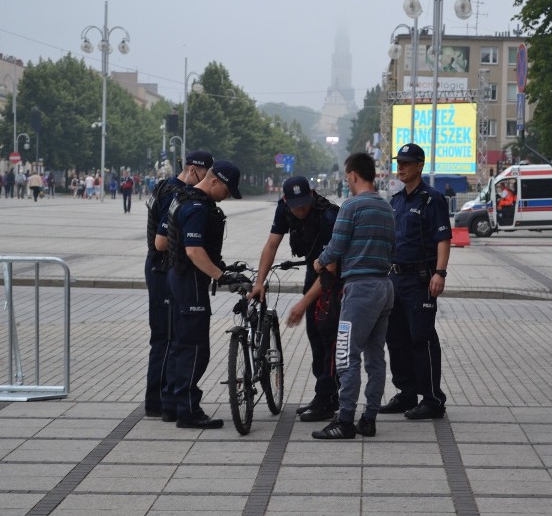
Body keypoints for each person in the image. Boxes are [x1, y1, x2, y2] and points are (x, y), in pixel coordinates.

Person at [311, 152, 395, 439]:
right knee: (375, 357)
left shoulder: (352, 206)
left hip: (360, 290)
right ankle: (369, 418)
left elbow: (336, 247)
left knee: (346, 353)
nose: (347, 181)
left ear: (354, 175)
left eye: (347, 176)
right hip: (385, 287)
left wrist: (319, 262)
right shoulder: (386, 207)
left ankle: (345, 419)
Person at [250, 175, 341, 422]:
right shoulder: (284, 209)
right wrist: (260, 282)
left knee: (327, 336)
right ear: (285, 200)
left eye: (303, 203)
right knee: (314, 335)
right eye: (294, 204)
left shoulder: (328, 217)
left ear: (312, 195)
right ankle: (324, 395)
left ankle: (327, 399)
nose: (299, 209)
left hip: (335, 277)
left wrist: (302, 303)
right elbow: (271, 245)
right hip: (315, 270)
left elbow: (330, 272)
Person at [161, 160, 243, 429]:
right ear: (215, 181)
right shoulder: (197, 207)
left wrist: (220, 267)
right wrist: (221, 276)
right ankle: (188, 411)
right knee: (195, 349)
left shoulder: (182, 198)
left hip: (177, 278)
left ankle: (172, 406)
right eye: (227, 190)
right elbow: (194, 251)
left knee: (179, 345)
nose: (228, 196)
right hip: (190, 283)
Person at [380, 143, 452, 420]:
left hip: (421, 279)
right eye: (399, 162)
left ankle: (432, 399)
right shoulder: (396, 201)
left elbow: (443, 238)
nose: (401, 167)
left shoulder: (432, 199)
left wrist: (440, 273)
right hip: (394, 279)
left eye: (407, 163)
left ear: (420, 165)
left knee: (421, 339)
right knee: (395, 338)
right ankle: (406, 392)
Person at [143, 150, 212, 418]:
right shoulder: (175, 193)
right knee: (165, 337)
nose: (208, 180)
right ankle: (159, 402)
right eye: (206, 174)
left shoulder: (166, 185)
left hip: (159, 267)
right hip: (161, 268)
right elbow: (160, 242)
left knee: (167, 337)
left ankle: (162, 401)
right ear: (194, 170)